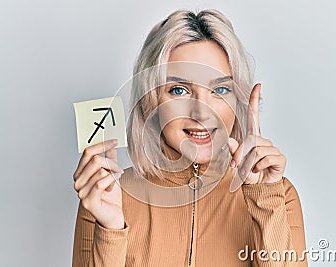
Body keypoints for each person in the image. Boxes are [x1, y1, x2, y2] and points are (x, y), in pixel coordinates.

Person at [72, 9, 307, 267]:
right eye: (179, 89)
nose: (202, 113)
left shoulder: (278, 195)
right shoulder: (105, 195)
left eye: (220, 89)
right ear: (151, 102)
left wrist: (265, 200)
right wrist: (111, 230)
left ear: (237, 98)